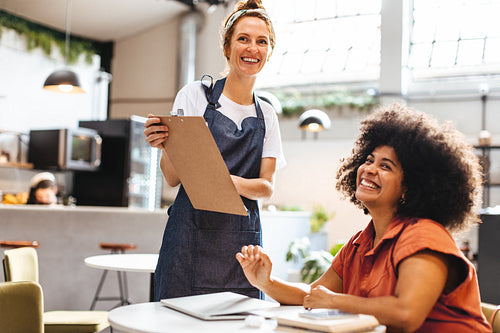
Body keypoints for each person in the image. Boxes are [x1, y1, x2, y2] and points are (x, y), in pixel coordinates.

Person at [236, 103, 491, 332]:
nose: (369, 169)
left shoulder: (424, 235)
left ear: (409, 188)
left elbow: (407, 314)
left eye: (385, 166)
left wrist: (336, 301)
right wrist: (266, 282)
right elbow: (314, 294)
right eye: (369, 160)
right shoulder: (359, 244)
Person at [144, 0, 285, 300]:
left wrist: (224, 182)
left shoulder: (268, 115)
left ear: (269, 53)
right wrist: (165, 143)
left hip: (241, 249)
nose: (252, 48)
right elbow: (171, 178)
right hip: (188, 239)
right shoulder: (195, 96)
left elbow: (266, 187)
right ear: (227, 47)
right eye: (243, 39)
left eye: (262, 42)